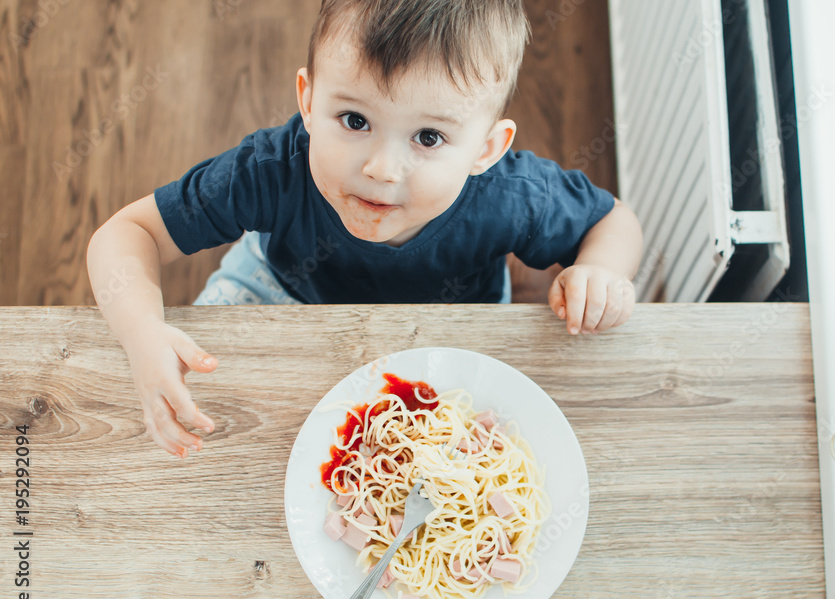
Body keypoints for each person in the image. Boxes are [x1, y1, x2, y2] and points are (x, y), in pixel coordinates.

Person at [87, 0, 643, 459]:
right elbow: (129, 232)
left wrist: (601, 270)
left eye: (428, 138)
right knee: (204, 416)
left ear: (486, 149)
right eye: (355, 121)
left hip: (450, 321)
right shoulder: (271, 171)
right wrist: (141, 332)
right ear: (308, 101)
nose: (382, 169)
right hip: (282, 290)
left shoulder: (512, 196)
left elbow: (612, 220)